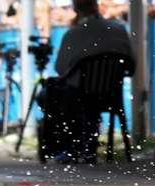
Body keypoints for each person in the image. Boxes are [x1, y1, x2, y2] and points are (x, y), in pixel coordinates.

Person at [38, 0, 134, 162]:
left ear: (76, 9)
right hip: (111, 95)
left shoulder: (73, 34)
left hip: (79, 97)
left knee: (52, 94)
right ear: (96, 6)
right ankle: (87, 147)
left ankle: (69, 148)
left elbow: (61, 68)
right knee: (74, 97)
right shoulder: (119, 29)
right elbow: (131, 67)